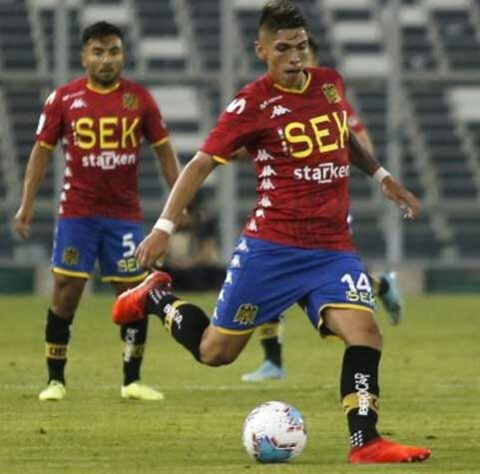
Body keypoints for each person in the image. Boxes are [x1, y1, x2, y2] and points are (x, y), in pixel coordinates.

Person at [112, 1, 430, 464]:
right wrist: (164, 226)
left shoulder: (329, 84)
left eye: (301, 46)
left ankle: (366, 441)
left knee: (366, 333)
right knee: (215, 353)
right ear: (261, 50)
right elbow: (200, 164)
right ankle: (156, 296)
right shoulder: (251, 104)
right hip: (272, 248)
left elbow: (342, 136)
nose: (296, 56)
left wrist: (382, 176)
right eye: (283, 48)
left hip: (331, 249)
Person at [13, 21, 180, 402]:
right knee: (67, 291)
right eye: (99, 52)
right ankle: (55, 380)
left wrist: (177, 204)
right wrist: (26, 205)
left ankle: (131, 380)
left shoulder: (140, 100)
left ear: (124, 55)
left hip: (123, 217)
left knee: (133, 294)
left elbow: (164, 151)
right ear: (84, 56)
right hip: (77, 214)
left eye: (114, 52)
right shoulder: (64, 99)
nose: (107, 60)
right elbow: (41, 153)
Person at [239, 37, 404, 383]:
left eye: (305, 55)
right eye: (290, 53)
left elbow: (358, 143)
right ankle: (274, 360)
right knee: (274, 278)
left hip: (325, 206)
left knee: (294, 278)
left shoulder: (329, 98)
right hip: (285, 208)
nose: (299, 62)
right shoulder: (271, 102)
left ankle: (275, 359)